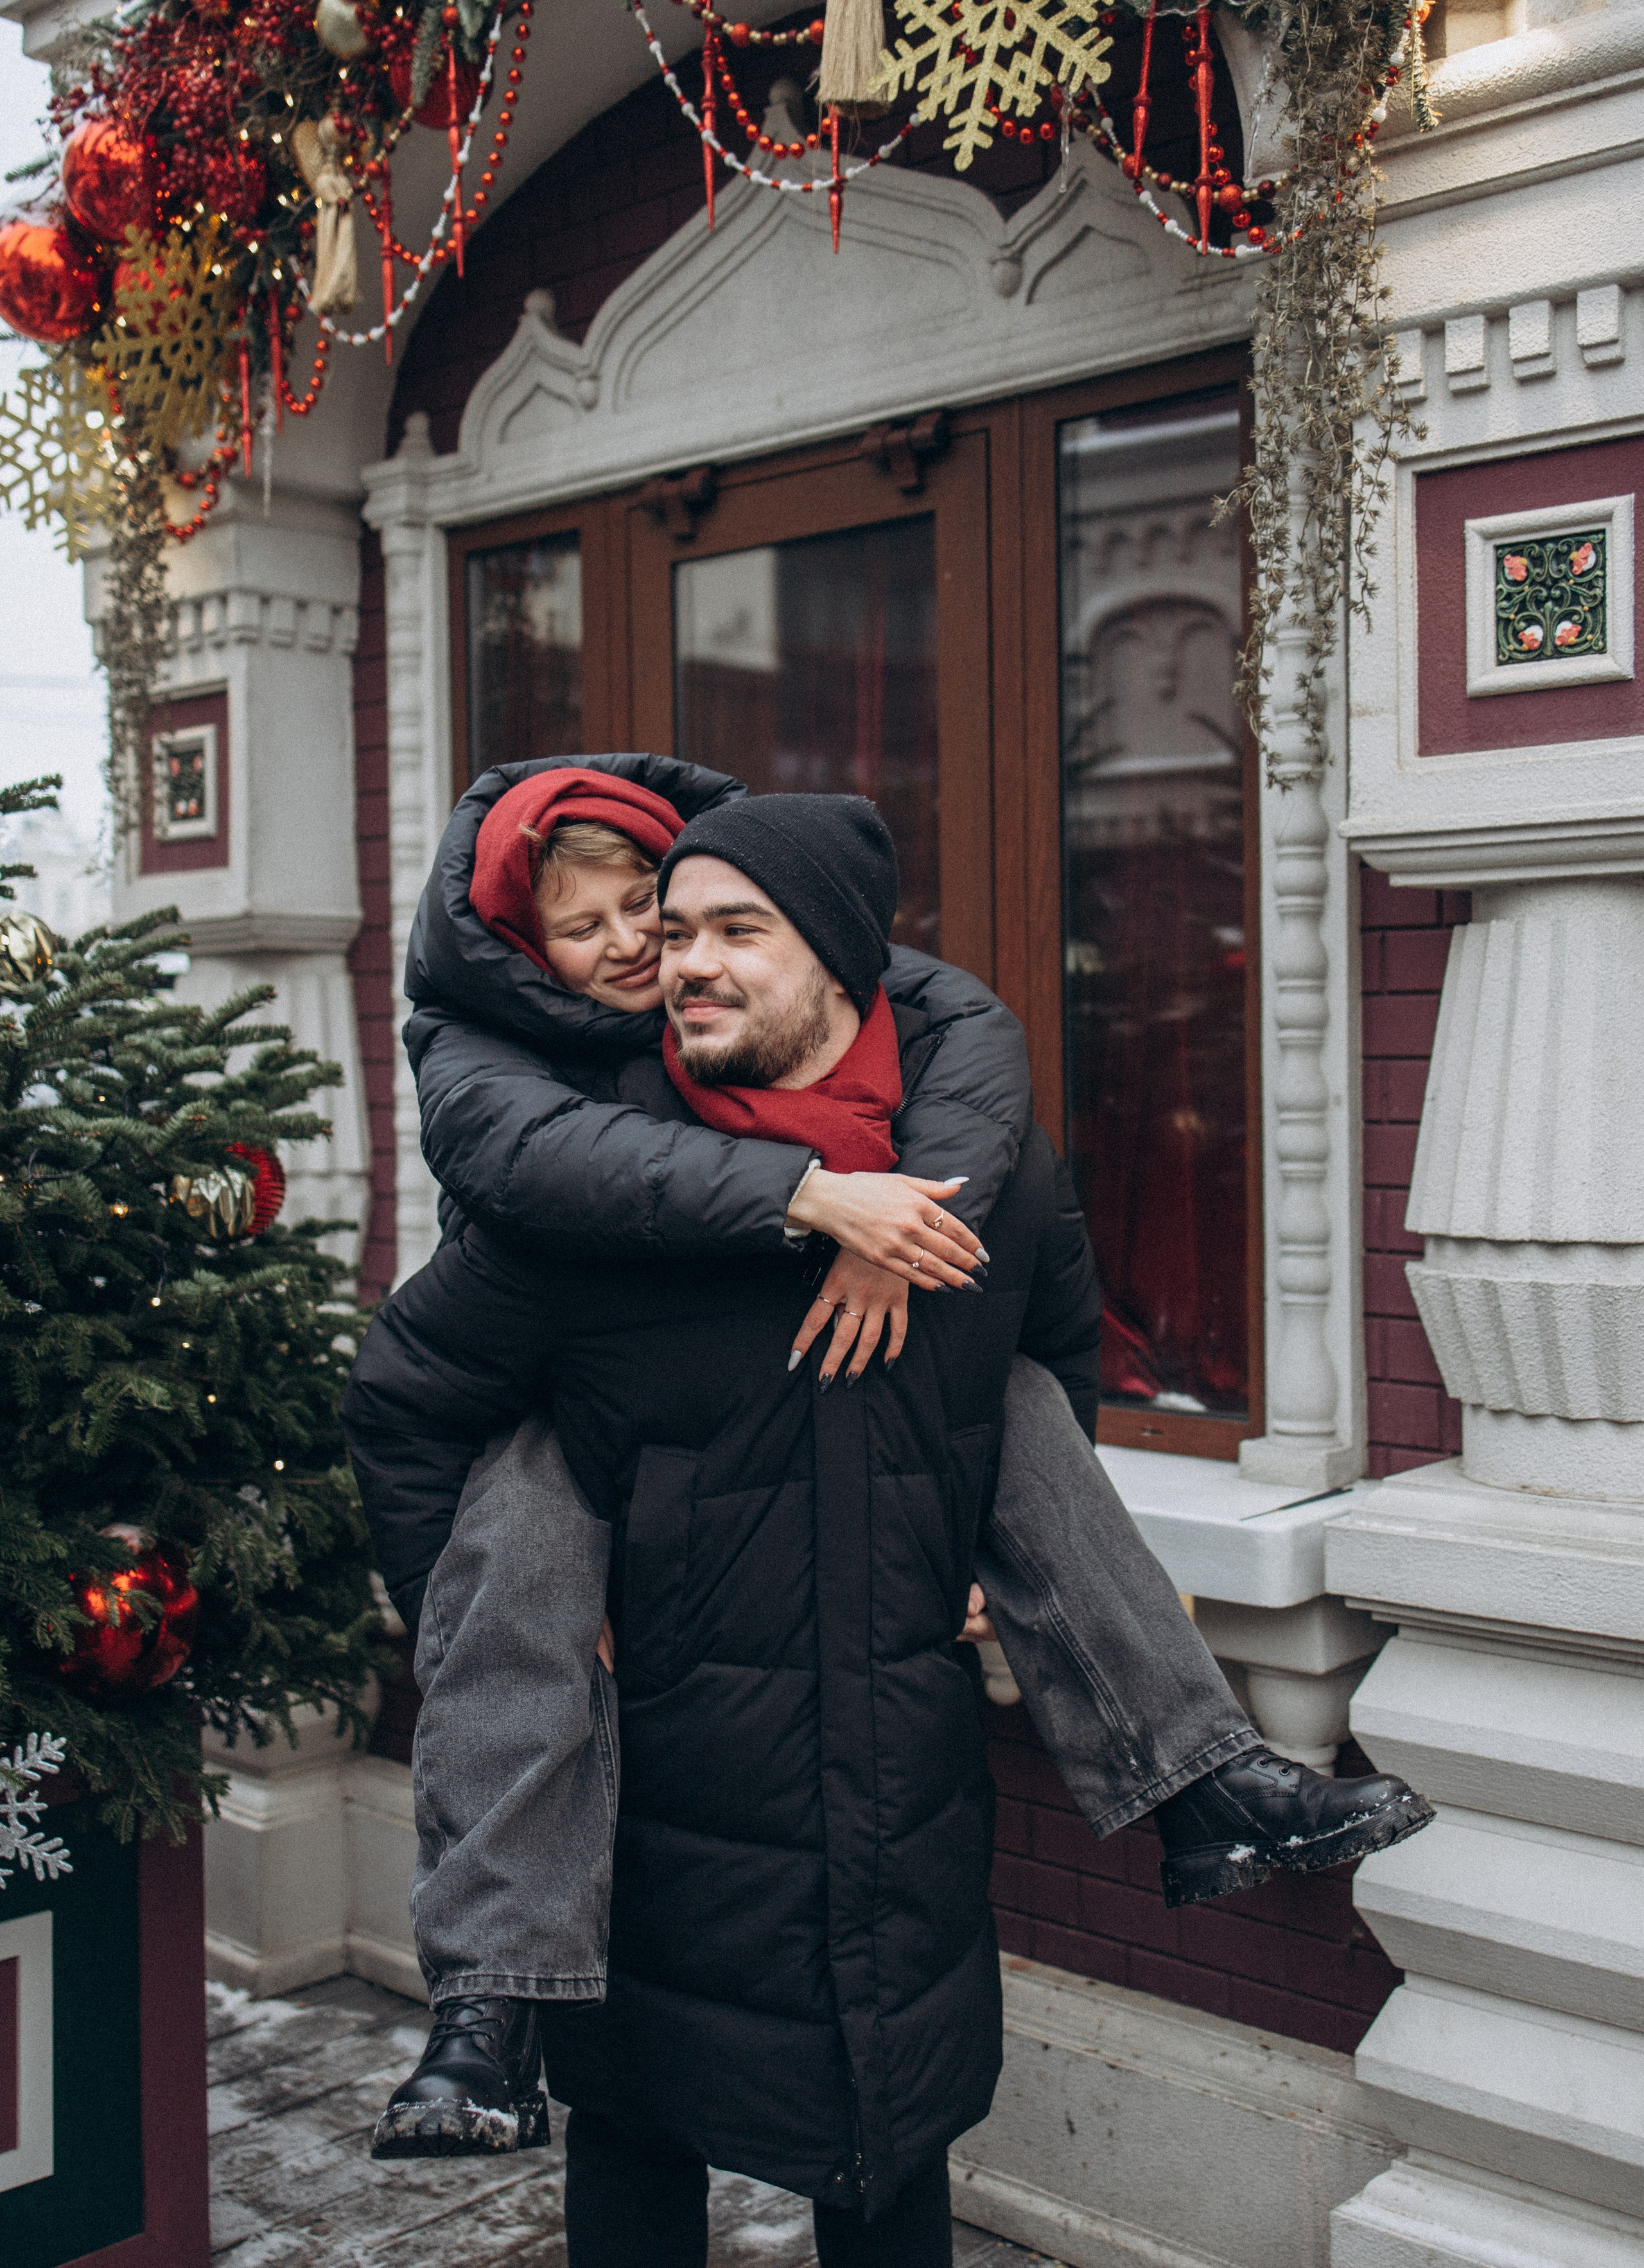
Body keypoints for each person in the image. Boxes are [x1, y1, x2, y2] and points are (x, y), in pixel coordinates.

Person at [343, 782, 1433, 2238]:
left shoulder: (985, 1167)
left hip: (893, 1774)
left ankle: (1206, 1784)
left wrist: (993, 1536)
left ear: (845, 954)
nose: (677, 961)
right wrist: (498, 1624)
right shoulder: (587, 1193)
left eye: (731, 929)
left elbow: (1043, 1360)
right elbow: (406, 1407)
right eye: (675, 932)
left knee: (890, 2142)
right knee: (637, 2153)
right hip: (658, 1790)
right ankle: (488, 2011)